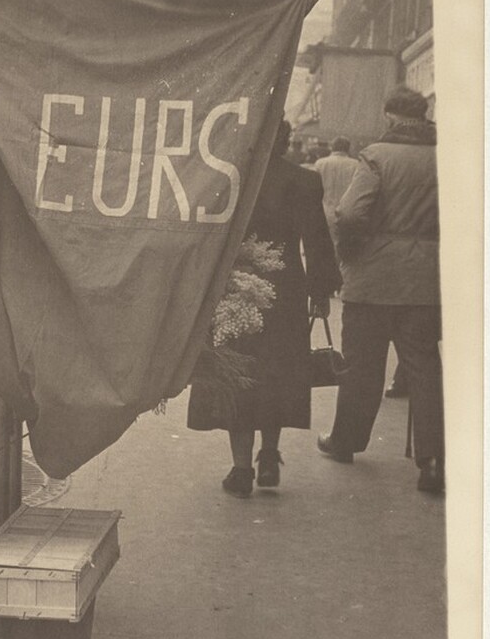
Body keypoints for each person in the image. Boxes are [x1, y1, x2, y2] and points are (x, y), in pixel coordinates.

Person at [187, 119, 340, 497]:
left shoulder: (230, 179)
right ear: (287, 143)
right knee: (278, 372)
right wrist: (321, 292)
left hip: (235, 285)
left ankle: (241, 470)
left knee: (238, 374)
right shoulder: (303, 181)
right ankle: (269, 455)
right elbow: (318, 241)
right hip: (284, 290)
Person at [317, 85, 444, 493]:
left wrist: (351, 253)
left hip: (373, 280)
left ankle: (346, 441)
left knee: (362, 366)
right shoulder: (446, 157)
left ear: (390, 117)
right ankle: (434, 461)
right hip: (426, 282)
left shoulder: (377, 156)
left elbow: (352, 213)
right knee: (425, 368)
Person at [314, 136, 358, 248]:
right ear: (348, 148)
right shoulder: (356, 165)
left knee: (323, 246)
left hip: (324, 210)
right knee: (341, 246)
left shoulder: (320, 163)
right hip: (345, 212)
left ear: (332, 147)